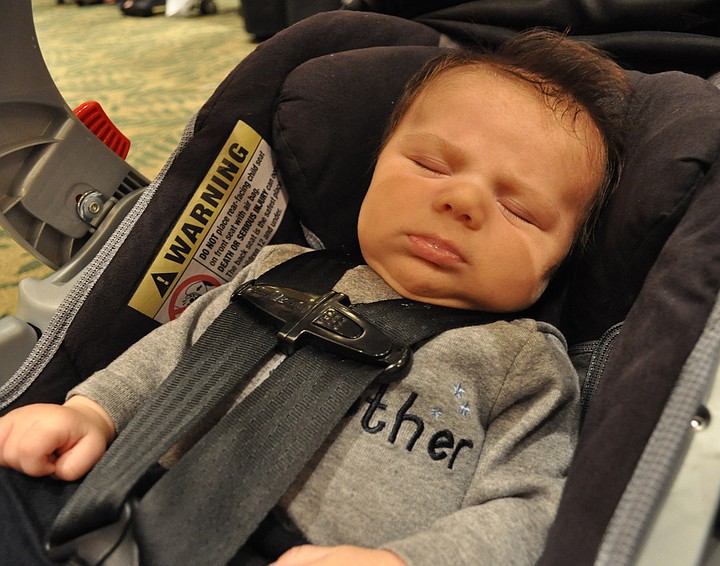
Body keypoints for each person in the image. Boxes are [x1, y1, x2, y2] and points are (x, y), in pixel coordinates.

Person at [0, 30, 630, 565]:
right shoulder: (279, 269)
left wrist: (403, 561)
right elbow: (174, 353)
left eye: (518, 208)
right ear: (374, 170)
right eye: (433, 167)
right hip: (125, 496)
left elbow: (532, 509)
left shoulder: (519, 361)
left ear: (557, 264)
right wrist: (94, 411)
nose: (461, 202)